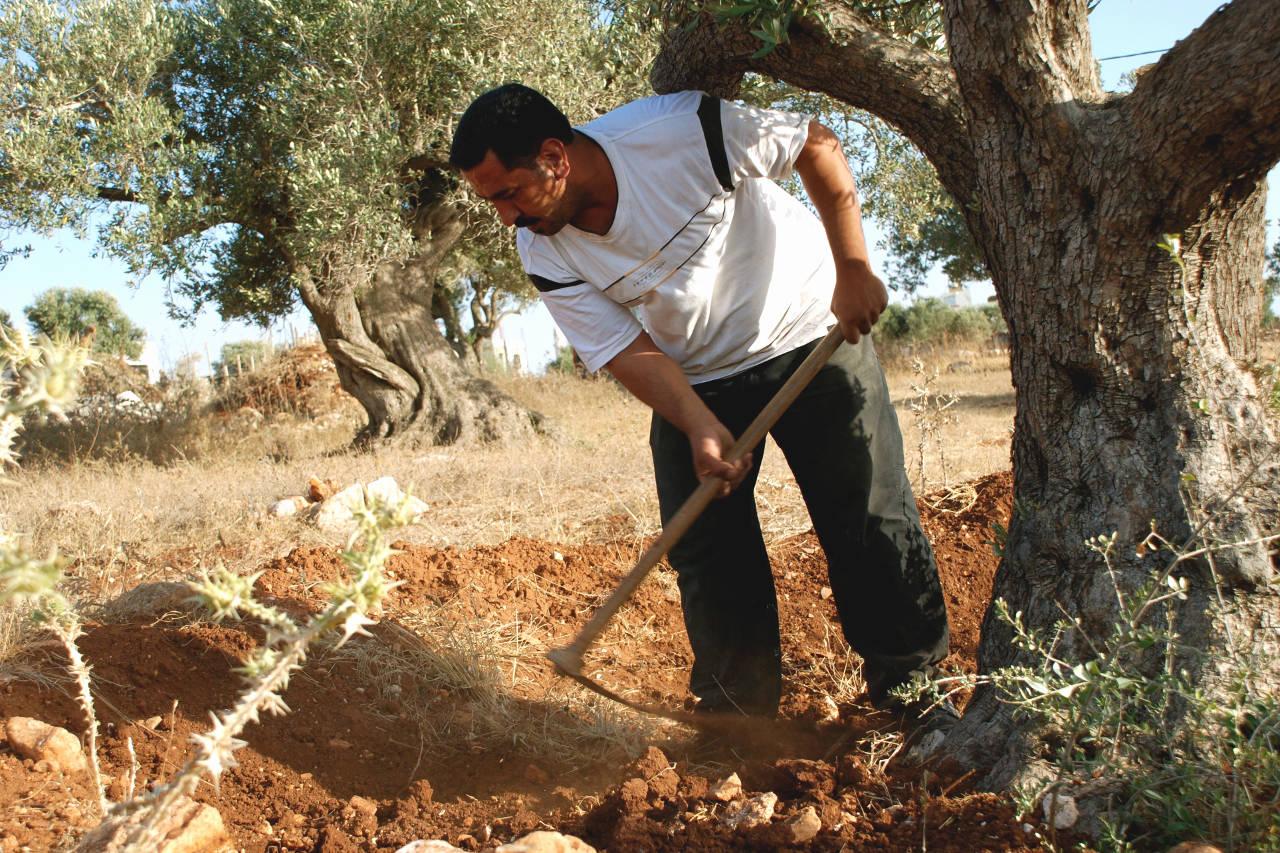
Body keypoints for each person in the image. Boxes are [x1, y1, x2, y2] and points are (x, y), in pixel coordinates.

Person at [450, 84, 950, 719]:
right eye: (492, 200)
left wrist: (852, 267)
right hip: (695, 375)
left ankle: (915, 695)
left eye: (509, 192)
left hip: (807, 334)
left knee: (869, 517)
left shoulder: (682, 131)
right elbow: (622, 346)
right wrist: (696, 422)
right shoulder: (542, 248)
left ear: (554, 156)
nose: (506, 216)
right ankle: (737, 722)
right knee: (707, 550)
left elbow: (814, 145)